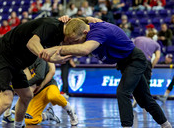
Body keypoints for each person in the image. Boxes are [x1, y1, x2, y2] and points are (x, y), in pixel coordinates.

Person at [40, 17, 172, 128]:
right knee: (145, 100)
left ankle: (127, 126)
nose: (74, 43)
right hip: (124, 63)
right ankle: (166, 125)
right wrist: (66, 19)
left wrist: (57, 49)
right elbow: (84, 20)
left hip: (135, 60)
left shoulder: (99, 33)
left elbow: (85, 50)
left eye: (76, 40)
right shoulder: (88, 25)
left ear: (85, 33)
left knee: (123, 92)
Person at [0, 17, 71, 128]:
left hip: (15, 62)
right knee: (6, 101)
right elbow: (31, 44)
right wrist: (50, 59)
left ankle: (18, 125)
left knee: (27, 95)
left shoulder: (54, 31)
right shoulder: (48, 29)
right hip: (2, 57)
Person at [22, 58, 78, 126]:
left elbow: (44, 74)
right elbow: (28, 82)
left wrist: (40, 86)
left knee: (53, 96)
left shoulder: (41, 56)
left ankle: (70, 111)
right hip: (37, 91)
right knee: (30, 120)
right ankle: (48, 115)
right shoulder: (23, 62)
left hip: (48, 85)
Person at [132, 36, 161, 107]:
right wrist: (151, 66)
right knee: (146, 82)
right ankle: (146, 101)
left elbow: (130, 49)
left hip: (135, 60)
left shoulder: (137, 38)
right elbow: (157, 57)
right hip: (147, 62)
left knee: (134, 81)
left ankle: (135, 98)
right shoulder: (156, 44)